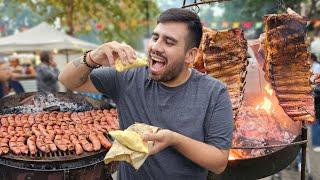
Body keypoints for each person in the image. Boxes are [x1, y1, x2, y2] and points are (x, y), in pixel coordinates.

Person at [59, 8, 233, 179]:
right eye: (155, 37)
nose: (156, 47)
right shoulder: (128, 77)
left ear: (190, 55)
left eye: (169, 42)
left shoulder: (214, 92)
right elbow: (67, 80)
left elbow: (219, 162)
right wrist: (92, 58)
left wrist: (174, 140)